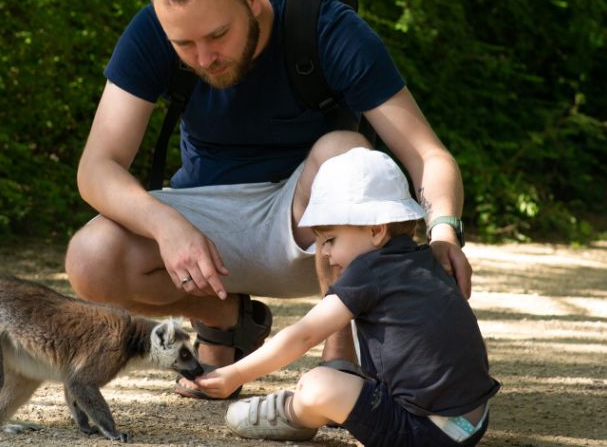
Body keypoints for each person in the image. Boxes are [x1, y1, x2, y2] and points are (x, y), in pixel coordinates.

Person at [64, 0, 471, 399]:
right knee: (89, 259)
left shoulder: (325, 28)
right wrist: (165, 225)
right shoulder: (153, 31)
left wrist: (444, 231)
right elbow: (96, 167)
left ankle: (340, 356)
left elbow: (427, 154)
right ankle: (225, 323)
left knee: (343, 148)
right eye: (184, 45)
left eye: (218, 35)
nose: (204, 58)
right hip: (204, 221)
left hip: (312, 224)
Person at [195, 147, 500, 446]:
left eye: (330, 239)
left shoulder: (369, 270)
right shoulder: (426, 260)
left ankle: (294, 413)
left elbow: (303, 336)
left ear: (376, 230)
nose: (324, 253)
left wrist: (234, 374)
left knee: (318, 384)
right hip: (473, 423)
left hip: (425, 432)